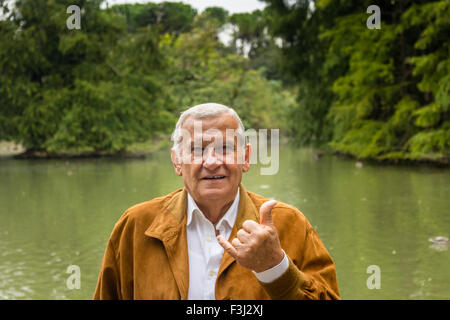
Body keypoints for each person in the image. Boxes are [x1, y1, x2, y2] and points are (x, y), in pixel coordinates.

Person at [93, 103, 340, 300]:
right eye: (198, 149)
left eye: (224, 147)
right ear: (177, 161)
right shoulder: (136, 226)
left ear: (246, 157)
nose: (211, 162)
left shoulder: (289, 224)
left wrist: (275, 267)